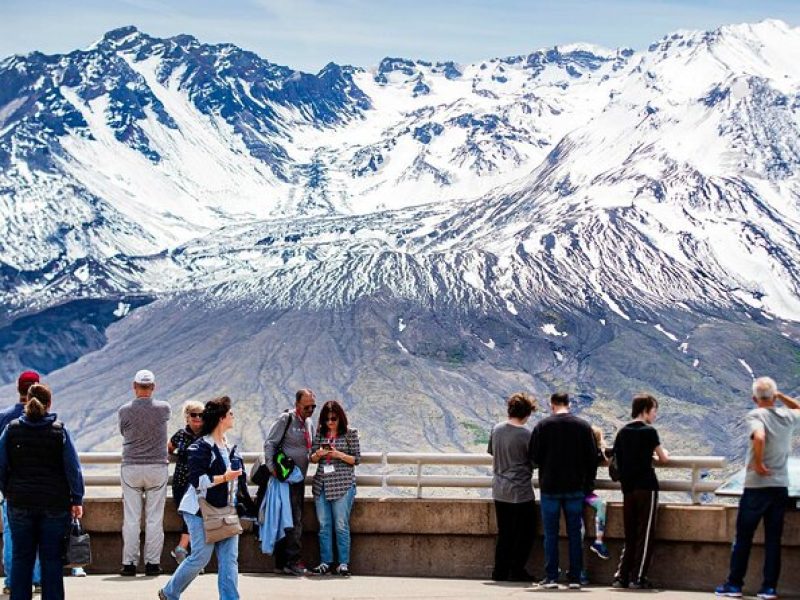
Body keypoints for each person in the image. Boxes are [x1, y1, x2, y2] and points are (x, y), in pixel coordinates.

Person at [159, 396, 253, 600]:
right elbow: (197, 480)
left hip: (226, 510)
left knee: (230, 560)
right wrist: (225, 477)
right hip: (199, 510)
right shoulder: (201, 447)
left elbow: (238, 483)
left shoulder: (231, 448)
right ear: (221, 418)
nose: (232, 416)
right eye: (229, 413)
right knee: (201, 557)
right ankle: (169, 592)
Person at [715, 378, 800, 600]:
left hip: (756, 486)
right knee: (774, 539)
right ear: (773, 397)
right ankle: (768, 588)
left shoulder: (755, 415)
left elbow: (759, 437)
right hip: (780, 486)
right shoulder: (788, 417)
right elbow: (799, 408)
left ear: (754, 399)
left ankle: (734, 585)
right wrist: (779, 396)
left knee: (744, 537)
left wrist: (760, 464)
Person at [0, 383, 84, 600]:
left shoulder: (12, 429)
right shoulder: (59, 431)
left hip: (19, 503)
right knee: (52, 560)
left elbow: (0, 466)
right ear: (50, 404)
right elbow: (73, 468)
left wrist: (8, 490)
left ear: (26, 402)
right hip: (54, 505)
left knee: (21, 558)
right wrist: (76, 499)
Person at [528, 392, 597, 590]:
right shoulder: (583, 426)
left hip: (550, 487)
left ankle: (551, 577)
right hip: (575, 488)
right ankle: (576, 576)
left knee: (551, 533)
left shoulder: (543, 426)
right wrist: (587, 484)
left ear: (552, 405)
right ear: (569, 404)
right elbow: (592, 458)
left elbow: (533, 457)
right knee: (575, 533)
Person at [612, 393, 669, 590]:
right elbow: (663, 459)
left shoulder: (622, 432)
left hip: (627, 488)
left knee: (630, 534)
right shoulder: (649, 432)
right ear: (645, 410)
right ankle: (638, 577)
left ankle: (622, 575)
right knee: (645, 534)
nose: (654, 415)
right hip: (646, 486)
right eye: (654, 411)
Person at [118, 369, 171, 576]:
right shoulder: (164, 408)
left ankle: (129, 564)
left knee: (131, 518)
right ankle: (152, 563)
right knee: (154, 518)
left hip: (131, 466)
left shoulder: (124, 410)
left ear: (134, 386)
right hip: (157, 467)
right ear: (153, 387)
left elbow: (124, 431)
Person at [263, 389, 316, 576]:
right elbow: (270, 443)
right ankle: (291, 561)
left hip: (298, 480)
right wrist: (272, 467)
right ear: (297, 404)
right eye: (306, 406)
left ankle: (284, 563)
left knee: (294, 519)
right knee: (291, 520)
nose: (310, 410)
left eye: (313, 406)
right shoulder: (286, 419)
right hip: (284, 479)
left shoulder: (308, 423)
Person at [0, 371, 43, 594]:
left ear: (19, 389)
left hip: (12, 488)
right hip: (41, 488)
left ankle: (12, 581)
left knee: (11, 534)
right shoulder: (47, 419)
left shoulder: (4, 417)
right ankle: (36, 578)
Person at [487, 392, 537, 582]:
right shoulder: (527, 435)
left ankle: (499, 571)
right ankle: (517, 570)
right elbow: (534, 462)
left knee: (505, 532)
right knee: (526, 532)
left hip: (499, 488)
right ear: (526, 413)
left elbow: (492, 451)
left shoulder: (496, 429)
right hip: (521, 491)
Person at [308, 400, 361, 577]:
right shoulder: (320, 434)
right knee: (324, 525)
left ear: (340, 418)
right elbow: (312, 458)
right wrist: (319, 454)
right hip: (322, 484)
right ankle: (325, 562)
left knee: (341, 524)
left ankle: (343, 563)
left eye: (333, 419)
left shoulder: (350, 434)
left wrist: (338, 454)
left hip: (342, 484)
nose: (330, 422)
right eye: (326, 419)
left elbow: (356, 459)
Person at [168, 401, 205, 564]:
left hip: (200, 483)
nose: (197, 418)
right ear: (187, 417)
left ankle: (183, 551)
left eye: (200, 415)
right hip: (181, 481)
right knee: (187, 516)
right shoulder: (180, 435)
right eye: (193, 414)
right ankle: (187, 555)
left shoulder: (208, 434)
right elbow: (169, 448)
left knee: (195, 516)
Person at [580, 426, 611, 585]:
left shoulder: (580, 451)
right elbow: (607, 458)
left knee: (580, 531)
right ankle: (598, 542)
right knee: (601, 505)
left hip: (578, 494)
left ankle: (581, 570)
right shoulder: (597, 453)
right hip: (584, 494)